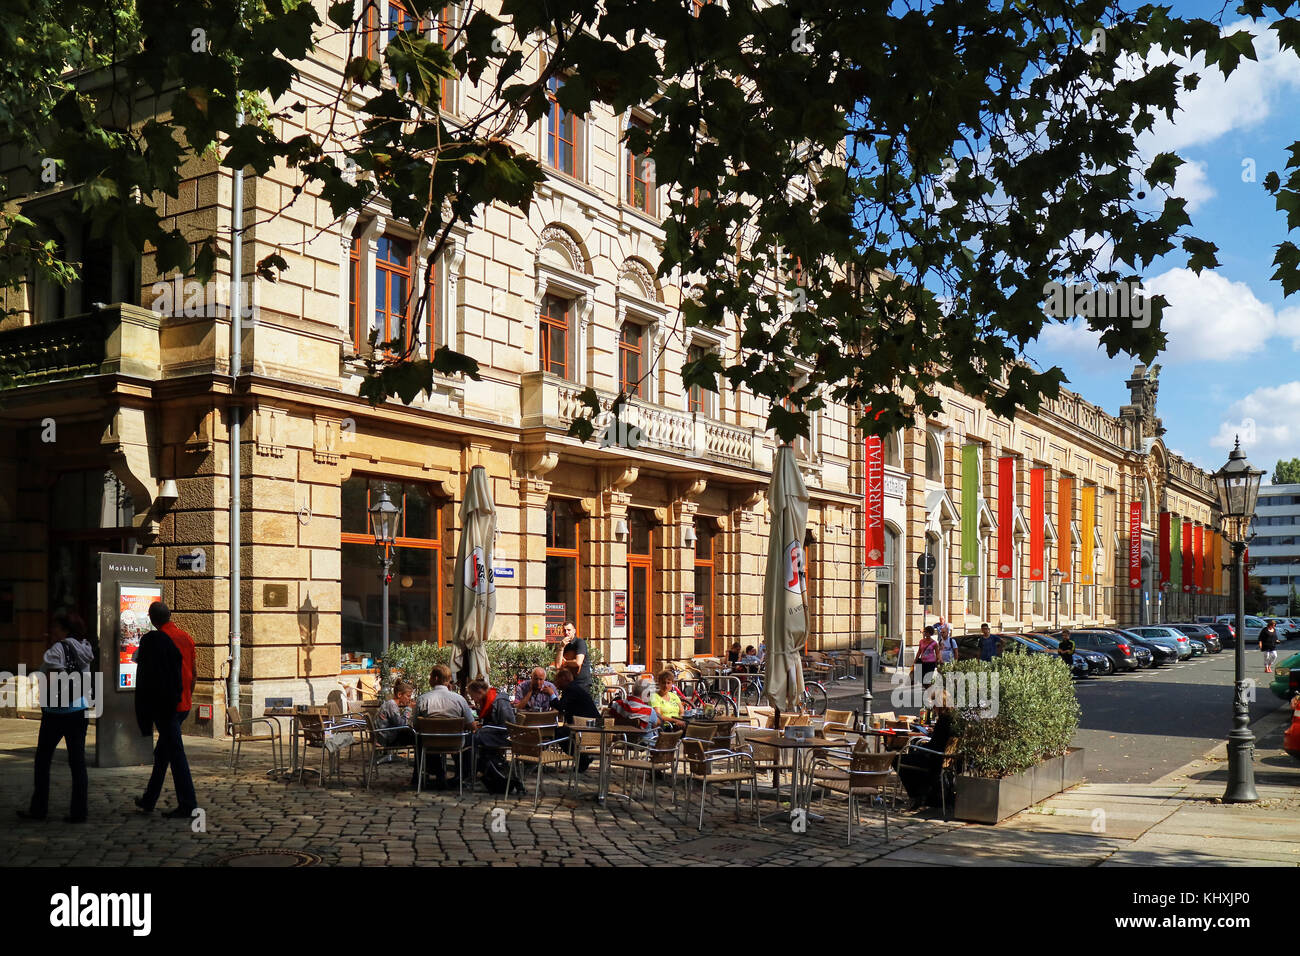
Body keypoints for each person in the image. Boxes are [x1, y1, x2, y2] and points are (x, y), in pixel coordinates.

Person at [19, 612, 94, 823]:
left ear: (64, 629)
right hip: (79, 709)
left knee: (43, 761)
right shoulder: (85, 648)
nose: (52, 631)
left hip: (56, 713)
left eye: (55, 627)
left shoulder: (58, 649)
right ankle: (79, 811)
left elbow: (50, 680)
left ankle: (39, 809)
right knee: (77, 763)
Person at [135, 602, 198, 818]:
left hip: (167, 705)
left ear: (152, 619)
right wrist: (188, 695)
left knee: (176, 754)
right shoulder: (186, 637)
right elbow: (195, 672)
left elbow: (149, 676)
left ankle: (188, 803)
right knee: (163, 753)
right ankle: (149, 799)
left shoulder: (157, 641)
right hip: (183, 704)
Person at [411, 664, 475, 789]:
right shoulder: (459, 699)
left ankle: (430, 774)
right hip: (455, 743)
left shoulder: (422, 699)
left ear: (435, 678)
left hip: (429, 743)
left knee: (419, 738)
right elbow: (472, 726)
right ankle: (463, 775)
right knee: (470, 737)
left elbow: (416, 725)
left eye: (430, 676)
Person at [897, 693, 956, 810]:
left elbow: (935, 745)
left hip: (934, 759)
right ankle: (922, 792)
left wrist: (923, 746)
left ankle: (915, 795)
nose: (933, 707)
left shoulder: (943, 720)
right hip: (945, 758)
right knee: (911, 755)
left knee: (898, 759)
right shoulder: (953, 719)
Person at [551, 668, 601, 771]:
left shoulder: (571, 689)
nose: (555, 683)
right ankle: (582, 759)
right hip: (585, 723)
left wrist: (551, 694)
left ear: (564, 679)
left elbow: (562, 707)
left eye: (557, 680)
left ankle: (582, 759)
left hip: (589, 725)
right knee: (560, 732)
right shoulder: (573, 688)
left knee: (559, 733)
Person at [609, 675, 661, 745]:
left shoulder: (617, 705)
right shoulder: (649, 711)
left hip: (623, 741)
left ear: (633, 690)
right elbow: (657, 724)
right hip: (644, 744)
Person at [376, 679, 415, 750]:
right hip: (387, 739)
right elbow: (401, 725)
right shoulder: (392, 705)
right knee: (417, 737)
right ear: (399, 694)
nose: (409, 699)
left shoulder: (390, 704)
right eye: (408, 696)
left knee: (413, 733)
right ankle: (420, 760)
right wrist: (408, 708)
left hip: (383, 736)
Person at [554, 621, 592, 694]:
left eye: (569, 630)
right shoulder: (563, 645)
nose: (566, 632)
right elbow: (558, 665)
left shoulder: (579, 642)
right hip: (568, 683)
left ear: (574, 631)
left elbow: (578, 662)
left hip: (581, 683)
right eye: (564, 630)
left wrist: (565, 663)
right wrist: (561, 647)